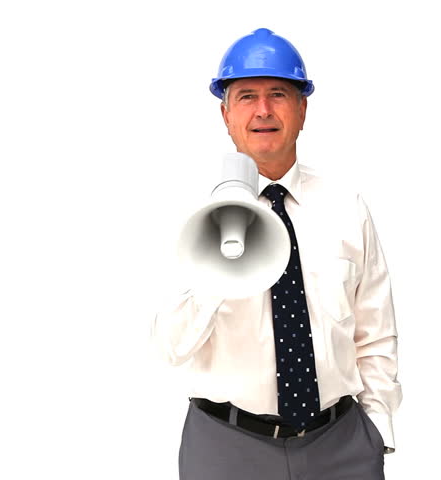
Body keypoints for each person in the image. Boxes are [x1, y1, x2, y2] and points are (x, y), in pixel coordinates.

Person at [152, 28, 401, 480]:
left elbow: (375, 332)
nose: (263, 110)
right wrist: (220, 263)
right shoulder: (188, 216)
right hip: (226, 449)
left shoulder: (346, 207)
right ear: (225, 114)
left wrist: (375, 432)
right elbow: (170, 346)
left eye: (278, 95)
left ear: (302, 109)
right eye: (246, 96)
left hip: (340, 446)